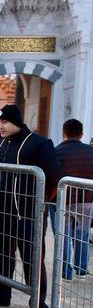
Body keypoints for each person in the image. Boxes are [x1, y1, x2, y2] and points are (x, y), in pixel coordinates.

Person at [0, 104, 59, 308]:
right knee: (0, 254)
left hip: (28, 214)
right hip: (0, 211)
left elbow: (52, 177)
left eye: (3, 122)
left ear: (16, 122)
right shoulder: (1, 143)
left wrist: (39, 204)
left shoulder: (40, 144)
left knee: (32, 260)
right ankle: (1, 293)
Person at [52, 119, 93, 279]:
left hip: (63, 200)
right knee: (82, 234)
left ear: (64, 133)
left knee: (63, 235)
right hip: (87, 201)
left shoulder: (57, 151)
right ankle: (81, 269)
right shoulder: (90, 151)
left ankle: (65, 272)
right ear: (82, 134)